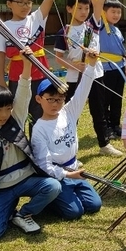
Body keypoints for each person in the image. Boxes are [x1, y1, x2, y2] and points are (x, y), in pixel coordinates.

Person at [0, 48, 61, 239]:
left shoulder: (14, 120)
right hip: (1, 189)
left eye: (8, 109)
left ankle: (22, 213)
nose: (4, 115)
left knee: (53, 186)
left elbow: (23, 93)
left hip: (26, 181)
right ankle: (7, 208)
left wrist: (27, 64)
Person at [0, 0, 71, 129]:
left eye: (28, 2)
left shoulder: (36, 18)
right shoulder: (3, 27)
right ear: (9, 4)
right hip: (17, 78)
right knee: (19, 113)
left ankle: (39, 145)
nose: (25, 6)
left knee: (40, 113)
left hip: (41, 75)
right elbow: (0, 56)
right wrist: (2, 82)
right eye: (19, 2)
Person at [54, 0, 121, 156]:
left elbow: (99, 3)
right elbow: (58, 57)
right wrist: (73, 65)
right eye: (78, 8)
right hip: (74, 77)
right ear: (68, 9)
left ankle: (104, 144)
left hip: (96, 74)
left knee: (98, 110)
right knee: (70, 111)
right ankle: (67, 146)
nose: (83, 12)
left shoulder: (93, 24)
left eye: (86, 8)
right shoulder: (64, 30)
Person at [31, 50, 104, 219]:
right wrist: (67, 175)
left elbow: (83, 89)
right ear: (38, 99)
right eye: (50, 99)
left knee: (94, 205)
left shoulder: (69, 112)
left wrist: (91, 65)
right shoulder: (39, 129)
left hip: (75, 170)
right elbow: (44, 164)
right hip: (58, 176)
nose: (55, 104)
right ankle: (50, 200)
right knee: (74, 213)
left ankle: (67, 195)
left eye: (59, 99)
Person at [99, 0, 126, 148]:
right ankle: (106, 129)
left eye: (119, 12)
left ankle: (116, 126)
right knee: (106, 100)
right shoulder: (99, 26)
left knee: (117, 99)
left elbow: (121, 53)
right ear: (104, 12)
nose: (116, 15)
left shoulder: (117, 30)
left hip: (119, 69)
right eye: (113, 11)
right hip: (105, 70)